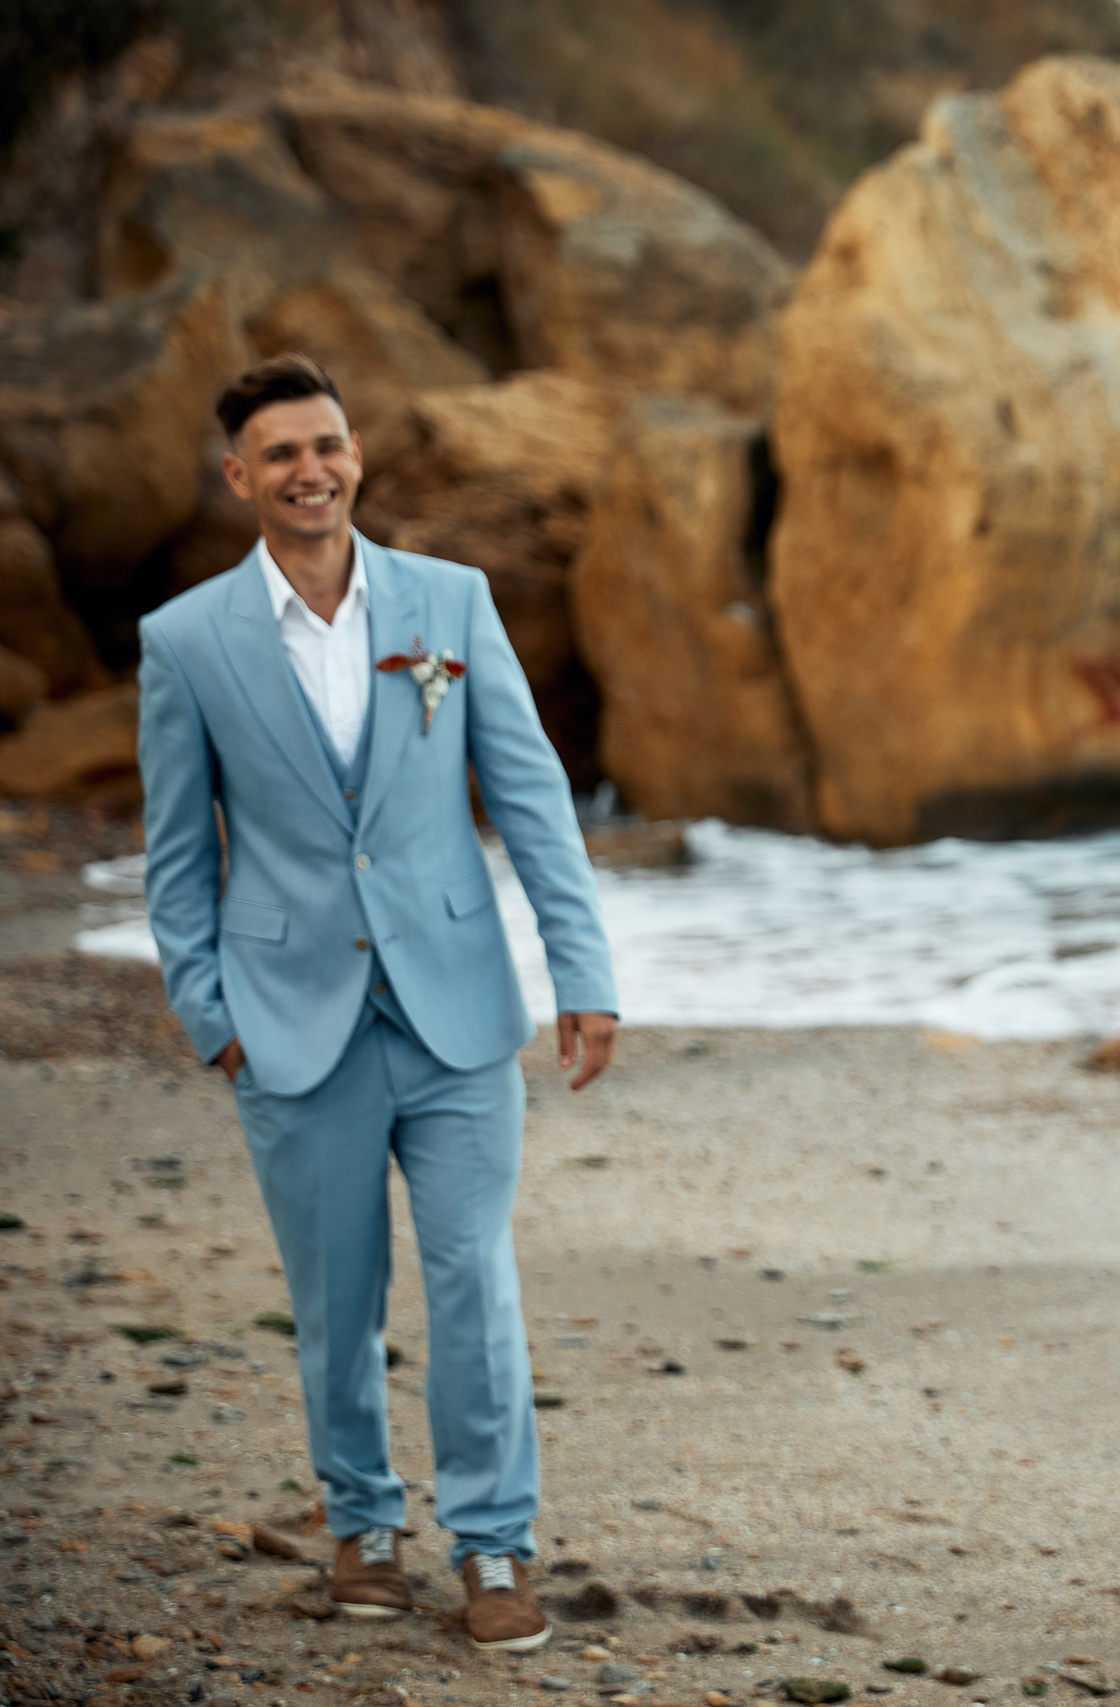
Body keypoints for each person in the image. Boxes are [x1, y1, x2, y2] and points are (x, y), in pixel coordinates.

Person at [136, 354, 618, 1652]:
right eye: (282, 452)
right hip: (288, 1021)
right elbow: (177, 858)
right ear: (240, 476)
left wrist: (584, 973)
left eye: (329, 444)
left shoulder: (448, 603)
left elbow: (529, 796)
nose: (312, 469)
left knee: (473, 1277)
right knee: (335, 1297)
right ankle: (360, 1520)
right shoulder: (184, 642)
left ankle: (494, 1540)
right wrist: (208, 1010)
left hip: (456, 1008)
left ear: (356, 455)